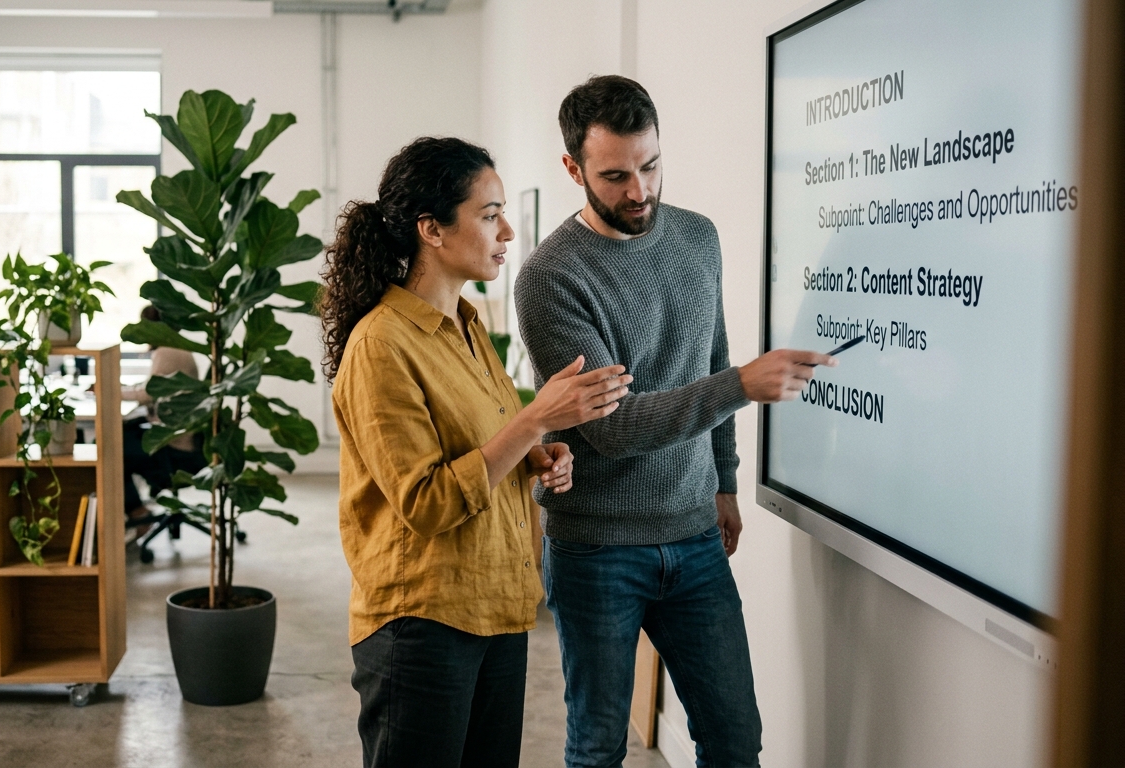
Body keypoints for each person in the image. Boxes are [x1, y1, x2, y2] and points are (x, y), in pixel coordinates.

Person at [514, 76, 836, 768]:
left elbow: (707, 358)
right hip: (597, 549)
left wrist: (724, 480)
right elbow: (616, 428)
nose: (640, 190)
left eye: (651, 165)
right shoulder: (550, 279)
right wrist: (743, 385)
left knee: (733, 737)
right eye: (616, 175)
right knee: (598, 747)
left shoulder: (697, 239)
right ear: (573, 170)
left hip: (693, 538)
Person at [321, 136, 633, 768]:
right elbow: (426, 502)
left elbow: (482, 449)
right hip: (422, 623)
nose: (508, 231)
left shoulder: (468, 328)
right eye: (489, 214)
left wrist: (536, 458)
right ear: (431, 229)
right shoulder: (381, 344)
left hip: (497, 608)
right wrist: (535, 420)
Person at [121, 305, 207, 530]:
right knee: (125, 434)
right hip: (180, 438)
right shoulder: (175, 347)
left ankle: (137, 512)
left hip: (176, 449)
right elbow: (153, 387)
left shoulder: (167, 351)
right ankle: (135, 509)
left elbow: (148, 394)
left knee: (110, 450)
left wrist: (109, 390)